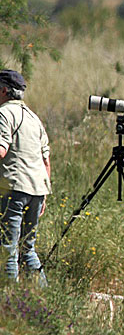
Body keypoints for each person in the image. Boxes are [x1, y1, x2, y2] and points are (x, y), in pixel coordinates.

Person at [0, 70, 51, 286]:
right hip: (38, 190)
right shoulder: (34, 118)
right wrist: (45, 196)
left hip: (13, 188)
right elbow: (46, 159)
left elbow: (1, 150)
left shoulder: (3, 114)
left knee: (8, 249)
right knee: (27, 248)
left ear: (3, 90)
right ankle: (44, 296)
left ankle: (8, 303)